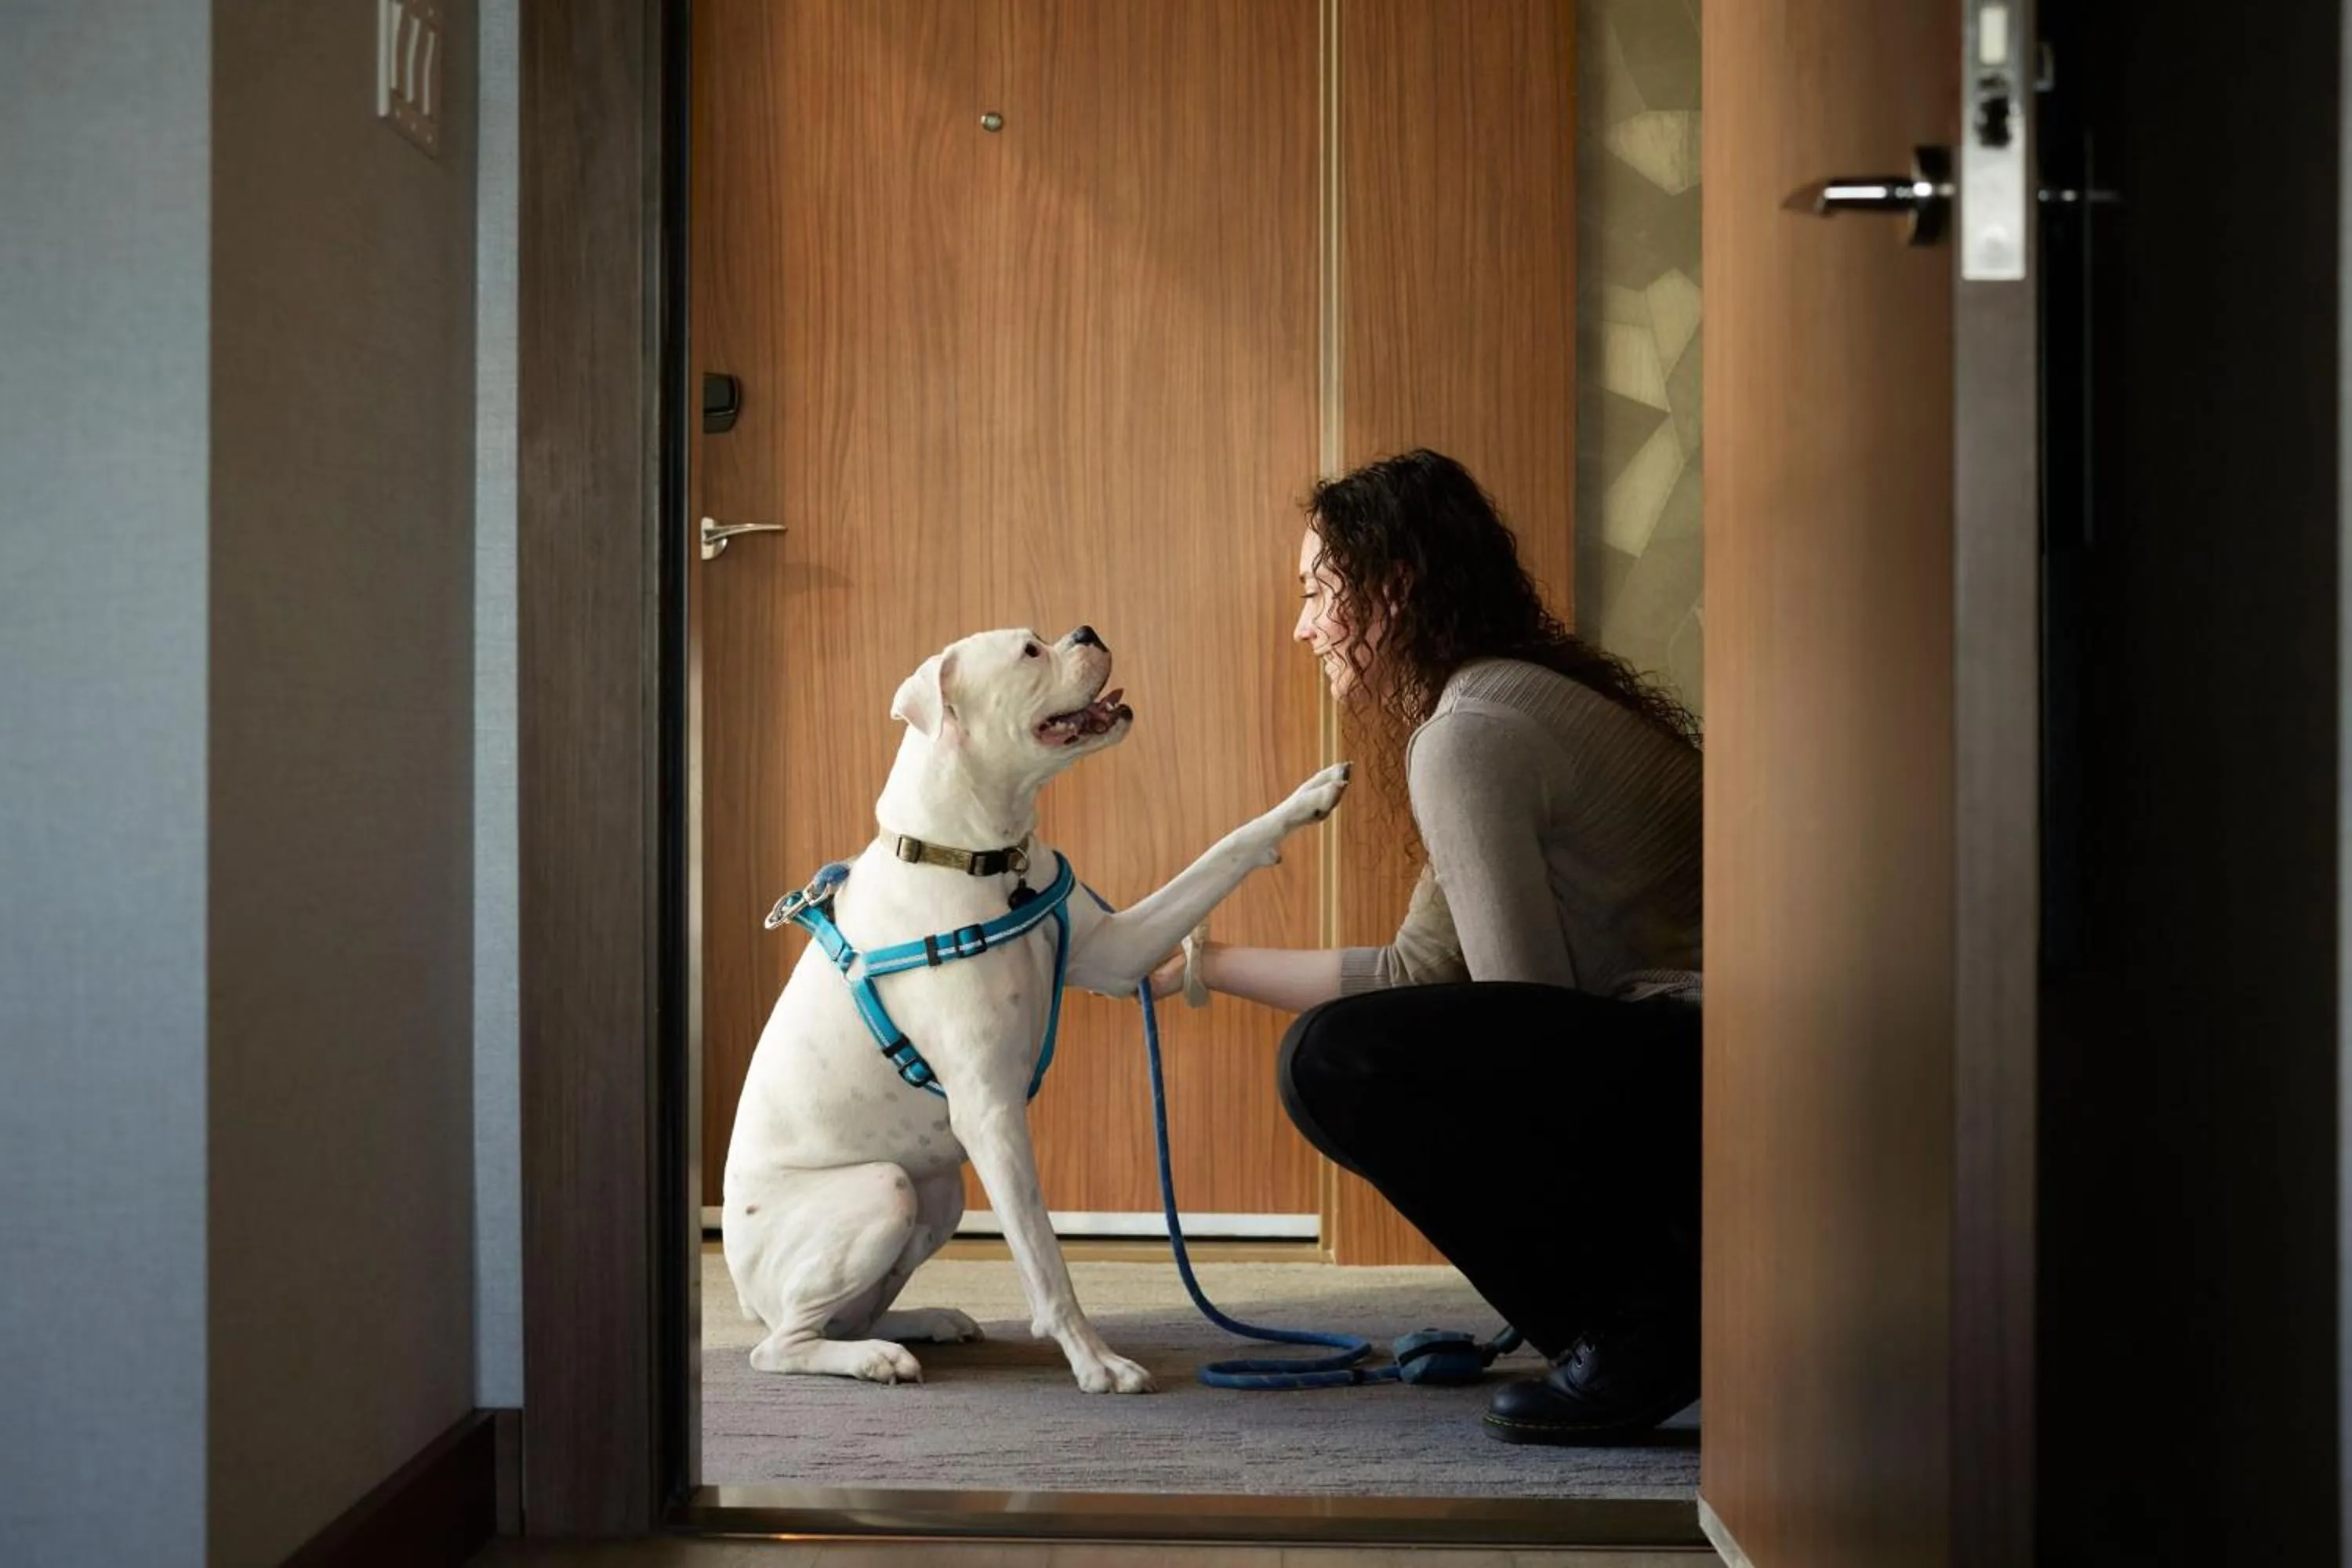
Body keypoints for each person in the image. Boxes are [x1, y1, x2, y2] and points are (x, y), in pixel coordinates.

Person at [1154, 447, 1704, 1445]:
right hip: (1695, 1074)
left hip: (1700, 1072)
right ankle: (1644, 1308)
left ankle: (1645, 1328)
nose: (1303, 624)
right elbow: (1422, 976)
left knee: (1333, 1062)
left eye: (1320, 591)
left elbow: (1514, 1011)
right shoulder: (1496, 700)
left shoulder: (1471, 732)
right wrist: (1202, 963)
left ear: (1394, 590)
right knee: (1348, 1043)